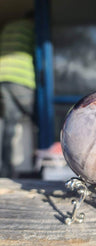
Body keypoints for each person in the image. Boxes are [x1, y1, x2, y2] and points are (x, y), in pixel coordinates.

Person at [0, 11, 36, 177]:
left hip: (3, 76)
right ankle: (41, 166)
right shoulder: (33, 27)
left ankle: (6, 171)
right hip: (21, 78)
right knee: (40, 118)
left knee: (9, 125)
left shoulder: (9, 28)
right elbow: (39, 52)